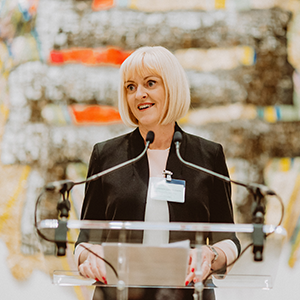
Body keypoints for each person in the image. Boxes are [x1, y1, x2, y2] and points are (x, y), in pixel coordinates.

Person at [75, 46, 241, 300]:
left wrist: (212, 255)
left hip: (188, 293)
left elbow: (228, 239)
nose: (139, 94)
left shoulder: (207, 156)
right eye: (131, 87)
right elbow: (86, 239)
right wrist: (91, 256)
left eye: (150, 83)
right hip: (119, 293)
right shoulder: (106, 156)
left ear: (172, 87)